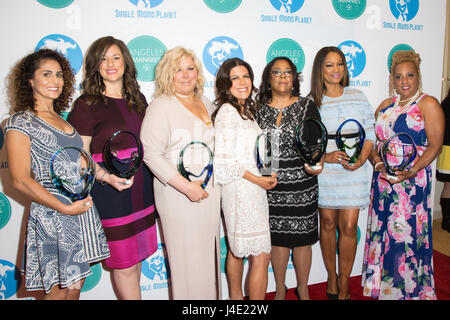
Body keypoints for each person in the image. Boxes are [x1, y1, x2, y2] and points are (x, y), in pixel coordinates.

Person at [5, 49, 110, 299]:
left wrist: (108, 177)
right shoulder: (21, 121)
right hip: (53, 215)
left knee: (73, 291)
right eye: (47, 74)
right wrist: (64, 209)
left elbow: (79, 165)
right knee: (58, 294)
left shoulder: (64, 121)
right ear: (30, 80)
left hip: (79, 212)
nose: (55, 81)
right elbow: (20, 179)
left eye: (59, 75)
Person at [68, 36, 157, 300]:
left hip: (142, 189)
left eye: (116, 57)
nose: (110, 63)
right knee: (125, 264)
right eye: (103, 58)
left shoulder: (138, 98)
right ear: (95, 65)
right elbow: (80, 155)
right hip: (112, 195)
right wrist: (106, 177)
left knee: (137, 260)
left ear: (126, 62)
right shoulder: (87, 104)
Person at [361, 50, 444, 300]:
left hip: (411, 183)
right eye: (398, 77)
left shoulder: (428, 104)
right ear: (392, 80)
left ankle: (408, 290)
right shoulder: (386, 106)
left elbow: (435, 145)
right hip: (384, 182)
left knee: (404, 235)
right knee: (383, 231)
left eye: (409, 75)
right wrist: (376, 163)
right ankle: (384, 289)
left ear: (418, 76)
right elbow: (375, 142)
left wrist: (413, 170)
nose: (404, 81)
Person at [140, 46, 221, 300]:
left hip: (210, 193)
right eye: (178, 70)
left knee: (208, 261)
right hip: (178, 196)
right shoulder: (161, 106)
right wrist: (186, 187)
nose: (185, 75)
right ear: (167, 74)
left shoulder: (207, 103)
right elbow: (150, 153)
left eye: (190, 68)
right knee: (187, 263)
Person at [308, 46, 375, 300]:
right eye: (329, 65)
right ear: (320, 70)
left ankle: (345, 281)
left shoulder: (358, 95)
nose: (336, 70)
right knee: (326, 224)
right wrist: (326, 156)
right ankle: (331, 278)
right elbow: (307, 142)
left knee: (348, 227)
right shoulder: (312, 102)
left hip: (353, 172)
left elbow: (370, 133)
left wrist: (360, 159)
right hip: (325, 172)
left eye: (340, 64)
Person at [255, 56, 322, 300]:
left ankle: (303, 288)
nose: (283, 76)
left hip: (304, 185)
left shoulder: (307, 106)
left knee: (303, 240)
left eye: (288, 72)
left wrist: (317, 163)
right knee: (279, 240)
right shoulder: (259, 111)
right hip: (272, 186)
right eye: (277, 72)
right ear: (268, 78)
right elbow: (263, 149)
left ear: (294, 78)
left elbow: (316, 145)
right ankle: (281, 288)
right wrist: (266, 176)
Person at [213, 57, 277, 300]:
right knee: (261, 255)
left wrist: (269, 174)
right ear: (225, 84)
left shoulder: (245, 111)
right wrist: (259, 180)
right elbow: (225, 162)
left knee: (237, 249)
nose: (242, 82)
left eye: (246, 76)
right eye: (235, 78)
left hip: (251, 188)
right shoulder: (228, 113)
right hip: (242, 190)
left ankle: (236, 301)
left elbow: (256, 153)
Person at [436, 89, 450, 233]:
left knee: (448, 186)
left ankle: (446, 220)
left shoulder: (445, 102)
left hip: (447, 149)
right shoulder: (446, 104)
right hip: (448, 150)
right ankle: (447, 220)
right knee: (449, 186)